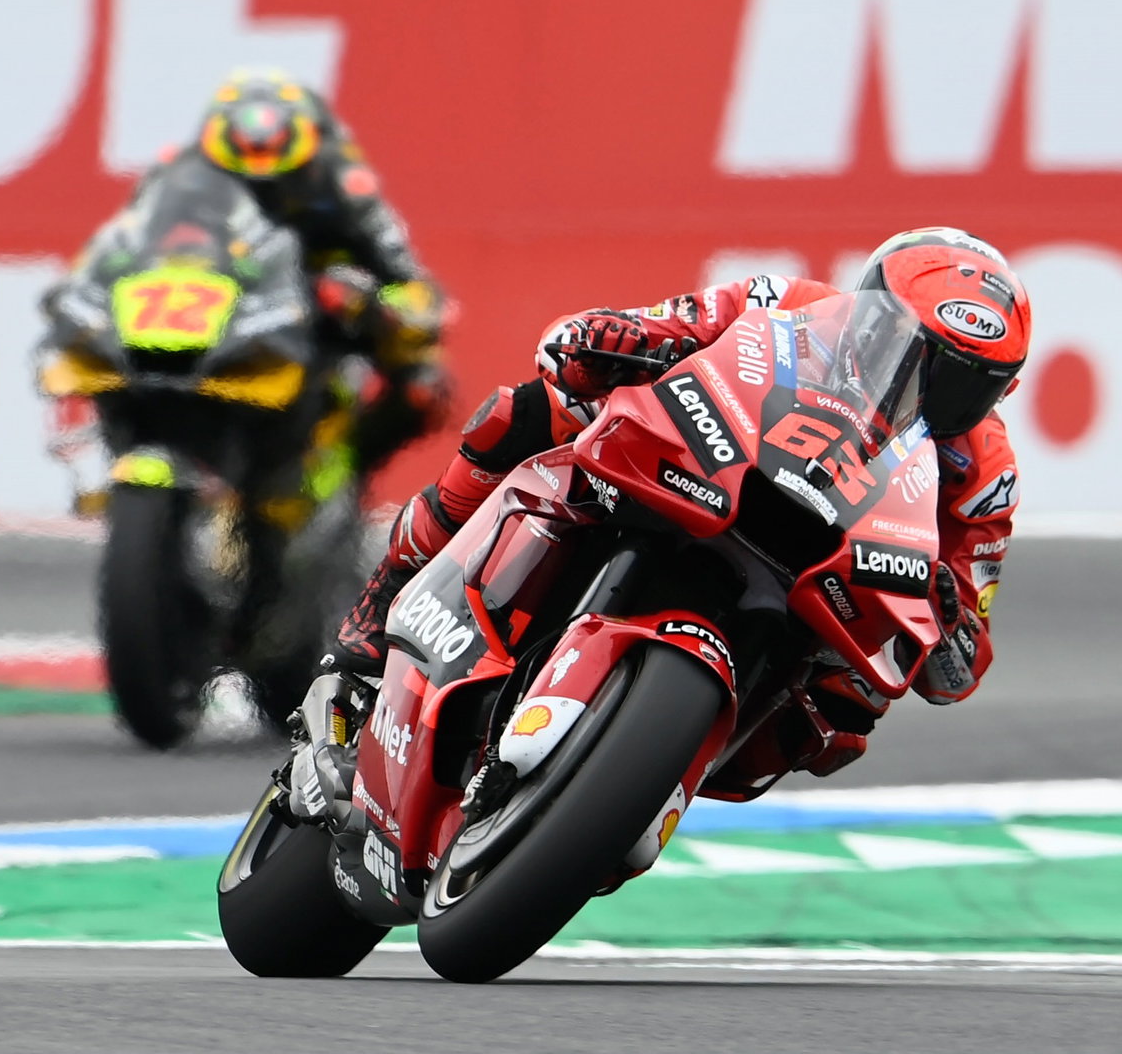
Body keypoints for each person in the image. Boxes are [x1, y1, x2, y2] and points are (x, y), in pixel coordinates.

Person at [332, 227, 1031, 759]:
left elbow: (959, 666)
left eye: (969, 383)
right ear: (871, 316)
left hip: (817, 586)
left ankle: (651, 771)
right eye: (919, 355)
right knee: (532, 410)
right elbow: (666, 325)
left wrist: (947, 620)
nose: (934, 390)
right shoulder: (787, 305)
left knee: (851, 712)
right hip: (706, 478)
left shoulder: (985, 479)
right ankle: (390, 591)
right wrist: (615, 336)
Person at [51, 67, 451, 470]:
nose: (260, 170)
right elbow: (136, 237)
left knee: (422, 384)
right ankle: (134, 432)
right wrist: (107, 275)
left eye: (273, 157)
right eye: (246, 158)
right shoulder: (182, 175)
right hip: (225, 298)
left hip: (319, 307)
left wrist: (373, 299)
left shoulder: (342, 184)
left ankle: (344, 470)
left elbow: (404, 276)